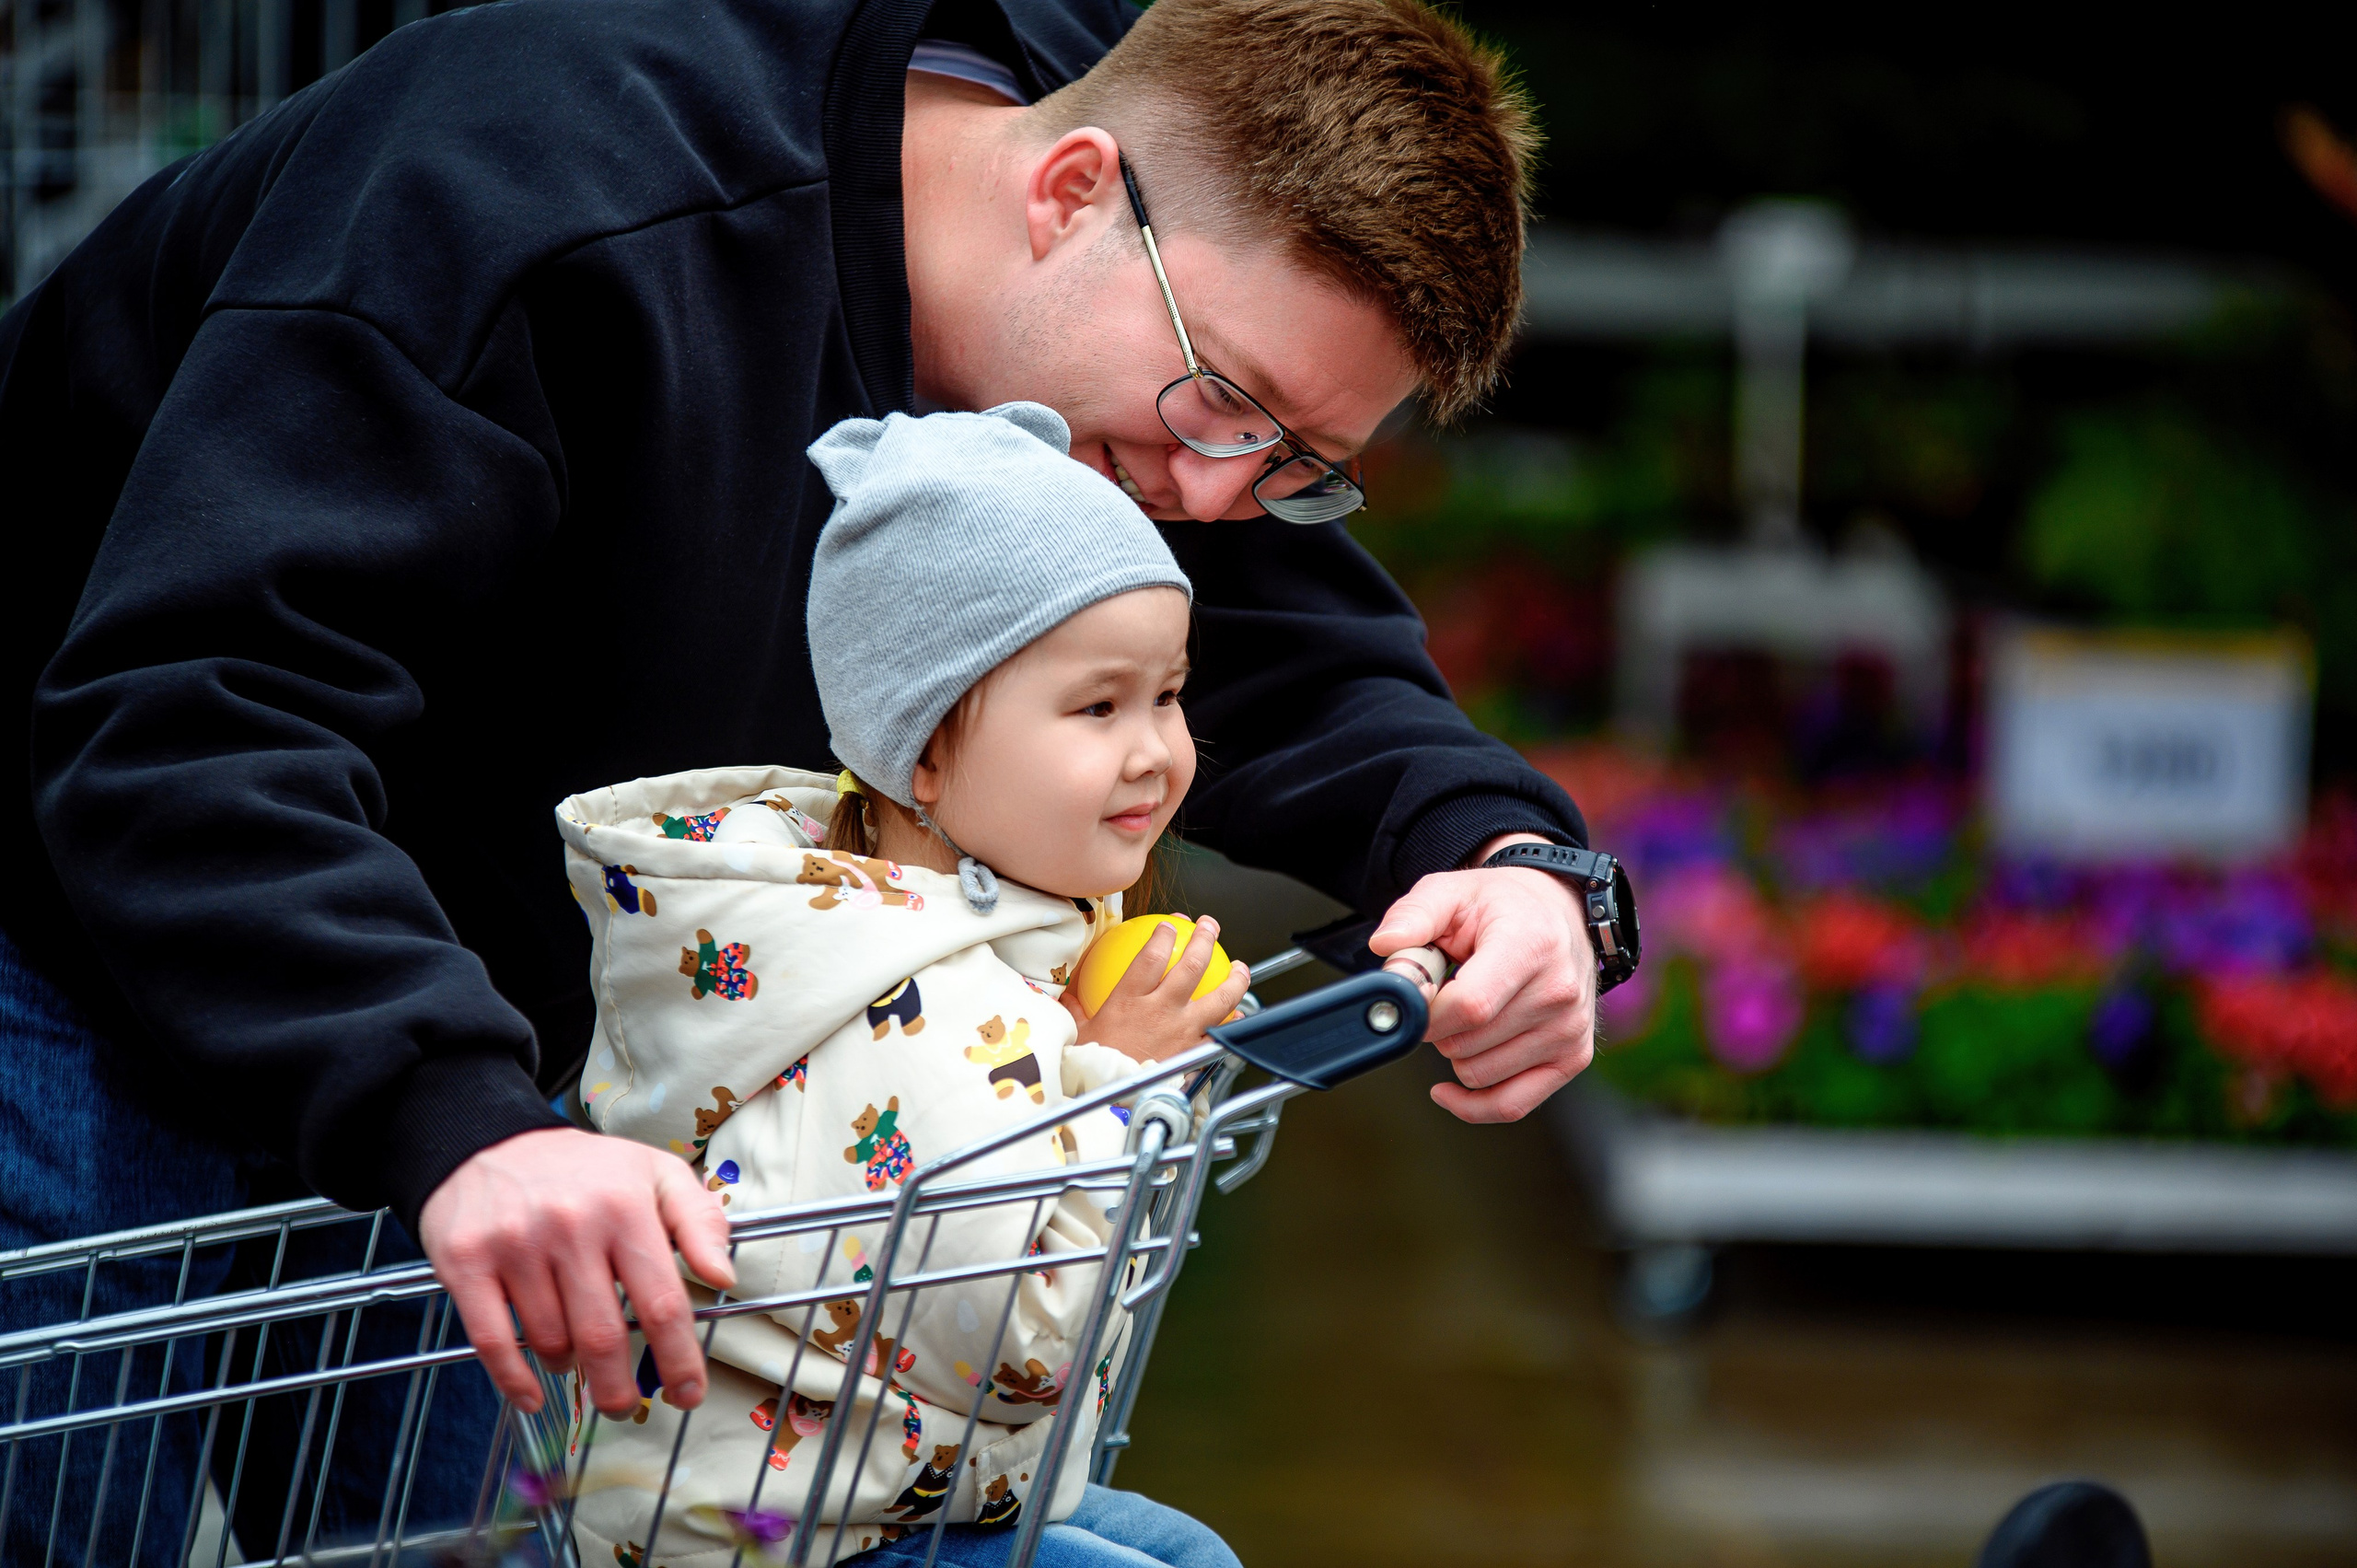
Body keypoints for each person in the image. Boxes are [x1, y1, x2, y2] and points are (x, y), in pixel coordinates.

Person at [0, 0, 1599, 1543]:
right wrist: (450, 1107)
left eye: (1301, 463)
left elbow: (1236, 634)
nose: (1212, 490)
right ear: (1071, 192)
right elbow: (191, 705)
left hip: (482, 1002)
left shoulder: (1152, 262)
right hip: (68, 912)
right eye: (1226, 402)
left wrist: (1498, 850)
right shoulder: (545, 184)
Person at [560, 401, 1246, 1566]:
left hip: (875, 1484)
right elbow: (1029, 1350)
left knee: (1178, 1551)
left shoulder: (907, 925)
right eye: (1098, 705)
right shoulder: (924, 1016)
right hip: (780, 1533)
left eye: (1167, 694)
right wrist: (1122, 1080)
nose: (1154, 749)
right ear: (922, 747)